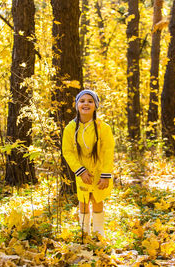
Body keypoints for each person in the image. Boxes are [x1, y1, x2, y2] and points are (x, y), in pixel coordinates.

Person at [62, 89, 115, 238]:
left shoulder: (104, 128)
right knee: (84, 201)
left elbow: (108, 152)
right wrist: (80, 170)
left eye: (90, 101)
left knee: (97, 200)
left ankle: (99, 233)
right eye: (82, 101)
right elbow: (67, 151)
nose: (86, 104)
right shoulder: (70, 128)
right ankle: (84, 233)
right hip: (82, 171)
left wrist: (106, 175)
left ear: (95, 106)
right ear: (77, 105)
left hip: (99, 171)